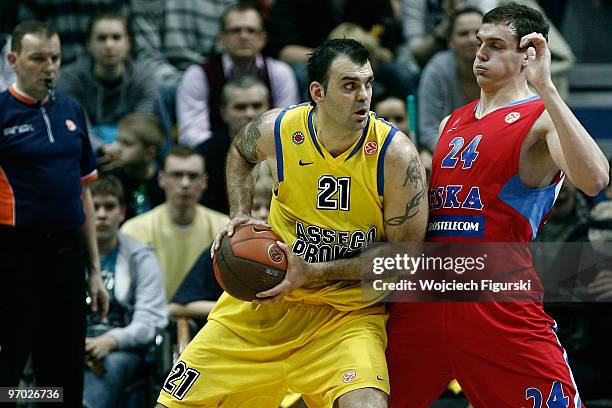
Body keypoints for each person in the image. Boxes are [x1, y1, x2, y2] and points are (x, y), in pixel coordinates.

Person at [157, 38, 428, 408]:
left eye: (368, 83)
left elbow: (404, 261)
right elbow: (240, 150)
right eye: (349, 85)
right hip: (265, 306)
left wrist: (313, 272)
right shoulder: (281, 129)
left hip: (345, 317)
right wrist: (240, 213)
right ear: (318, 91)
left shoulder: (395, 157)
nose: (363, 95)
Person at [386, 3, 609, 407]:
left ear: (528, 55)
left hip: (497, 299)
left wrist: (548, 88)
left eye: (495, 45)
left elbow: (594, 179)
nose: (481, 54)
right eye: (479, 44)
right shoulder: (450, 122)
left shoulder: (541, 117)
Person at [0, 21, 109, 406]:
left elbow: (84, 195)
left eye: (56, 58)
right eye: (38, 59)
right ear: (13, 60)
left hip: (65, 256)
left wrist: (94, 272)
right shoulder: (1, 112)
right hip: (13, 256)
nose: (49, 67)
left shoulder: (71, 110)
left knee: (62, 374)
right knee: (7, 370)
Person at [84, 175, 168, 408]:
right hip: (72, 344)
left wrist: (111, 340)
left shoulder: (141, 257)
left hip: (121, 348)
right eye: (95, 207)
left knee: (110, 365)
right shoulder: (67, 254)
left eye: (109, 207)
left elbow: (151, 319)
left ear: (121, 213)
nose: (101, 214)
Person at [121, 145, 228, 318]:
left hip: (207, 322)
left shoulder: (225, 229)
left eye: (193, 176)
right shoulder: (134, 230)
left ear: (204, 182)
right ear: (161, 178)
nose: (185, 183)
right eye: (177, 175)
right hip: (147, 322)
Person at [177, 2, 298, 148]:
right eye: (235, 30)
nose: (244, 36)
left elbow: (287, 126)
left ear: (263, 39)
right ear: (221, 38)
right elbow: (191, 134)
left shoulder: (280, 73)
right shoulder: (198, 74)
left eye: (251, 30)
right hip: (215, 158)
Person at [57, 9, 160, 158]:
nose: (109, 44)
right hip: (86, 153)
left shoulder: (144, 78)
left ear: (128, 43)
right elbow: (75, 127)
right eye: (101, 38)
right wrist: (102, 148)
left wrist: (121, 150)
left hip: (132, 154)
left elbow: (141, 128)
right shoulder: (70, 79)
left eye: (116, 37)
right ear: (88, 44)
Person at [197, 75, 270, 214]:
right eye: (240, 107)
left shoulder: (289, 148)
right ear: (224, 113)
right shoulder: (205, 156)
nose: (250, 113)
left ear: (269, 108)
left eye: (257, 106)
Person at [417, 7, 483, 152]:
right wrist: (455, 157)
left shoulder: (504, 68)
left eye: (477, 33)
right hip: (450, 155)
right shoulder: (437, 70)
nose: (472, 39)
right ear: (450, 41)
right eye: (463, 34)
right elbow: (429, 131)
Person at [111, 113, 167, 220]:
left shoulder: (163, 184)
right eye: (118, 140)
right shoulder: (112, 178)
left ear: (150, 153)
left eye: (127, 143)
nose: (117, 148)